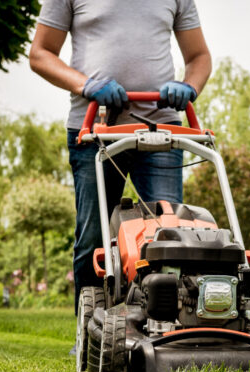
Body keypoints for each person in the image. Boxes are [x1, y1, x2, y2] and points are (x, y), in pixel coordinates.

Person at [29, 0, 212, 351]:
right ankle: (91, 335)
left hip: (162, 127)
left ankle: (164, 330)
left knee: (167, 237)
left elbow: (200, 57)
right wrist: (86, 85)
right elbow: (40, 54)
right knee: (94, 239)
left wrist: (189, 86)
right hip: (96, 127)